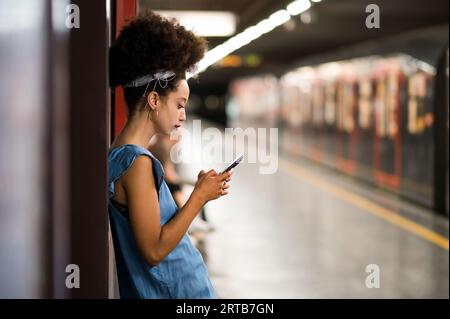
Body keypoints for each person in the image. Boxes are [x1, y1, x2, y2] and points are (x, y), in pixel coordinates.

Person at [108, 11, 232, 299]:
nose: (183, 114)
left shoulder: (123, 154)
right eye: (179, 103)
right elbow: (153, 250)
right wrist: (199, 196)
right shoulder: (136, 162)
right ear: (153, 100)